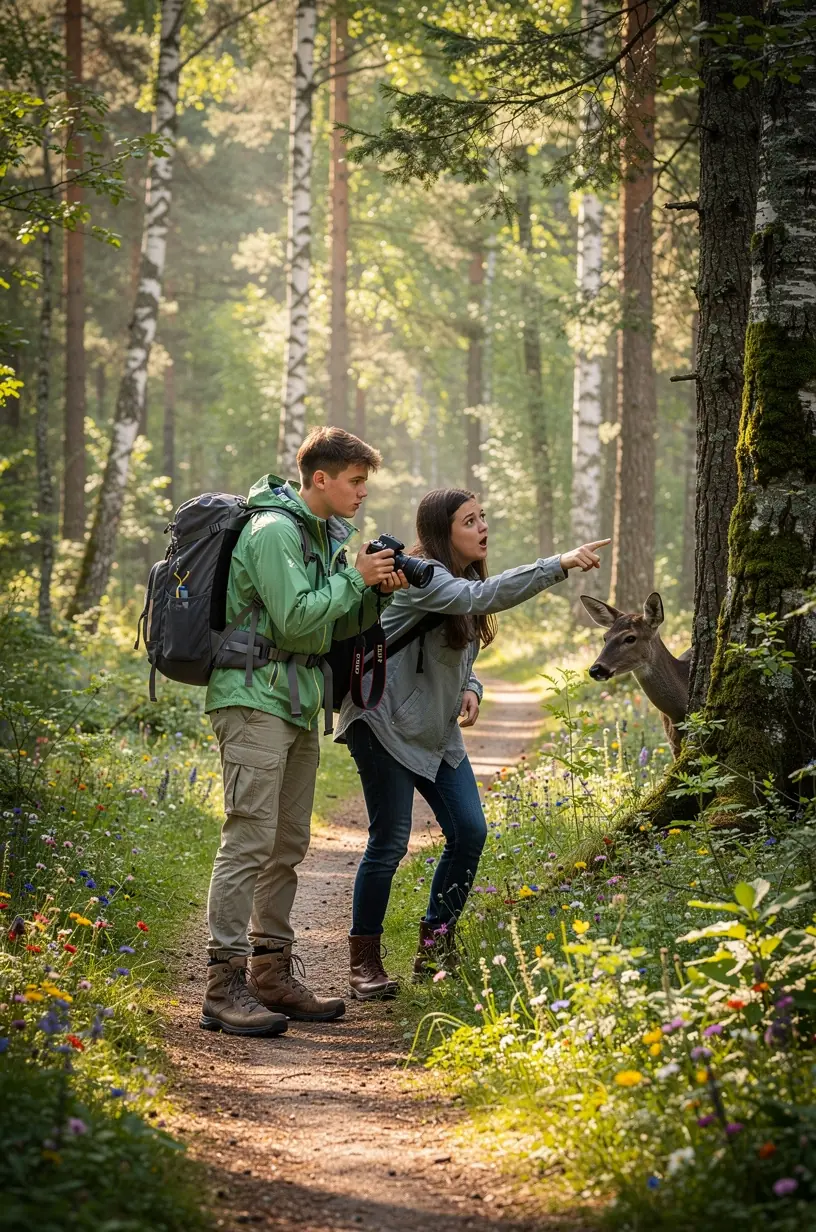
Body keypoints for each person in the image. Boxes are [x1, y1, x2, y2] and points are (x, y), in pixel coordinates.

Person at [336, 487, 610, 1000]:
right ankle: (364, 963)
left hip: (437, 731)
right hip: (382, 723)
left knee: (470, 831)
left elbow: (461, 651)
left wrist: (472, 687)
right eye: (469, 521)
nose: (482, 527)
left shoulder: (458, 580)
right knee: (390, 840)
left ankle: (436, 945)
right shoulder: (421, 577)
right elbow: (479, 599)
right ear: (443, 532)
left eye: (483, 517)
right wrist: (559, 564)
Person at [200, 427, 407, 1037]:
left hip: (294, 702)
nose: (363, 493)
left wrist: (375, 597)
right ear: (320, 479)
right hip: (252, 698)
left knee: (287, 843)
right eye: (355, 481)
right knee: (249, 840)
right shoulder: (274, 532)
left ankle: (271, 973)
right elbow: (293, 619)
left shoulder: (318, 534)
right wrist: (354, 580)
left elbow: (331, 625)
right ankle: (222, 984)